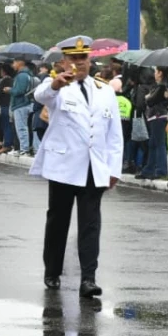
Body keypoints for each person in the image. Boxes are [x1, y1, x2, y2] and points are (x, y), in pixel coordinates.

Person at [31, 36, 123, 299]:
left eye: (83, 59)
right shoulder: (57, 87)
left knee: (90, 224)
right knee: (58, 221)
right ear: (64, 61)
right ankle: (52, 270)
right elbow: (41, 96)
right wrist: (56, 85)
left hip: (94, 167)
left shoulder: (104, 90)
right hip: (63, 166)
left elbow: (114, 134)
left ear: (90, 60)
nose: (79, 64)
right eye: (73, 59)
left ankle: (88, 278)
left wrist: (113, 169)